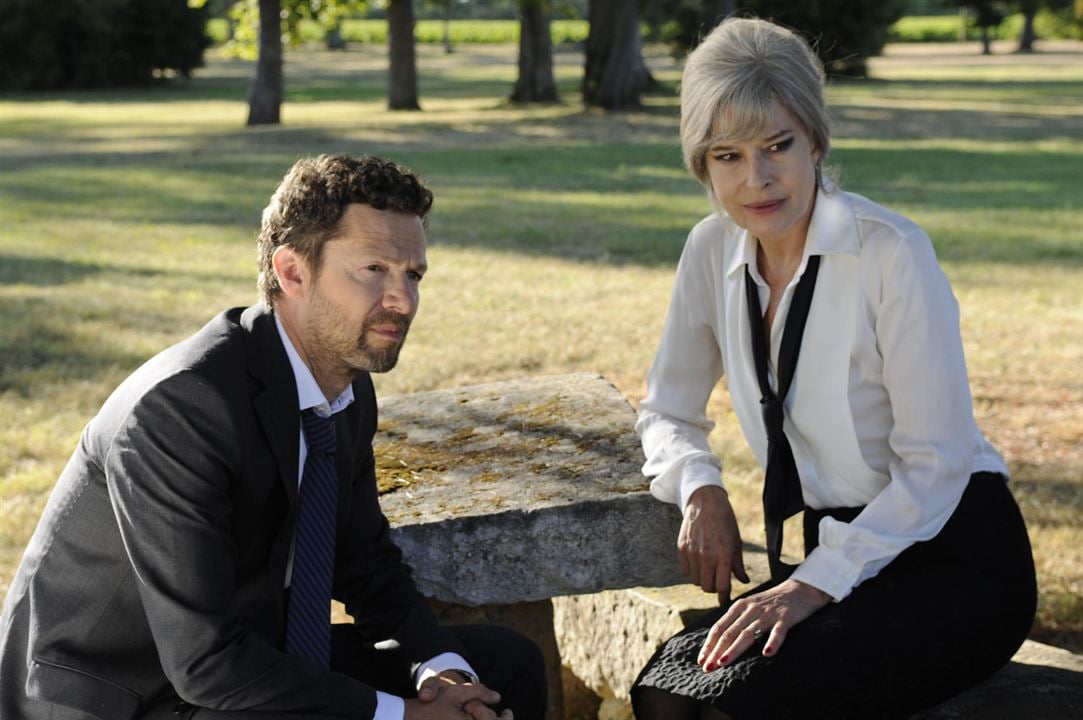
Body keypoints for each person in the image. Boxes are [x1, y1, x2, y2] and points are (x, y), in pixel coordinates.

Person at [0, 155, 547, 720]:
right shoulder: (182, 408)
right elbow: (205, 663)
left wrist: (439, 671)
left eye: (413, 275)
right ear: (292, 272)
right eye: (374, 269)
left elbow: (363, 560)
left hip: (250, 660)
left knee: (504, 668)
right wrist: (404, 715)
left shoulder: (344, 388)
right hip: (131, 692)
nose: (402, 301)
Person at [631, 17, 1036, 720]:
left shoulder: (891, 253)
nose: (755, 178)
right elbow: (667, 409)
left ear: (814, 140)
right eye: (726, 155)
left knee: (741, 705)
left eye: (776, 146)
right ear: (702, 164)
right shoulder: (709, 250)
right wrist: (699, 487)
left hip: (949, 553)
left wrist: (810, 586)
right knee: (665, 690)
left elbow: (935, 463)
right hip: (832, 552)